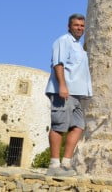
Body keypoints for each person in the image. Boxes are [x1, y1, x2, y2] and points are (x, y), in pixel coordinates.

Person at [44, 13, 93, 177]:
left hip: (77, 94)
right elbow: (58, 63)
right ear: (69, 26)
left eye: (82, 26)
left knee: (78, 126)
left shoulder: (79, 46)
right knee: (59, 126)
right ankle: (54, 164)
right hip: (64, 91)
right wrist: (62, 86)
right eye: (76, 25)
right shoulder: (63, 41)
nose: (79, 28)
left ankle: (66, 163)